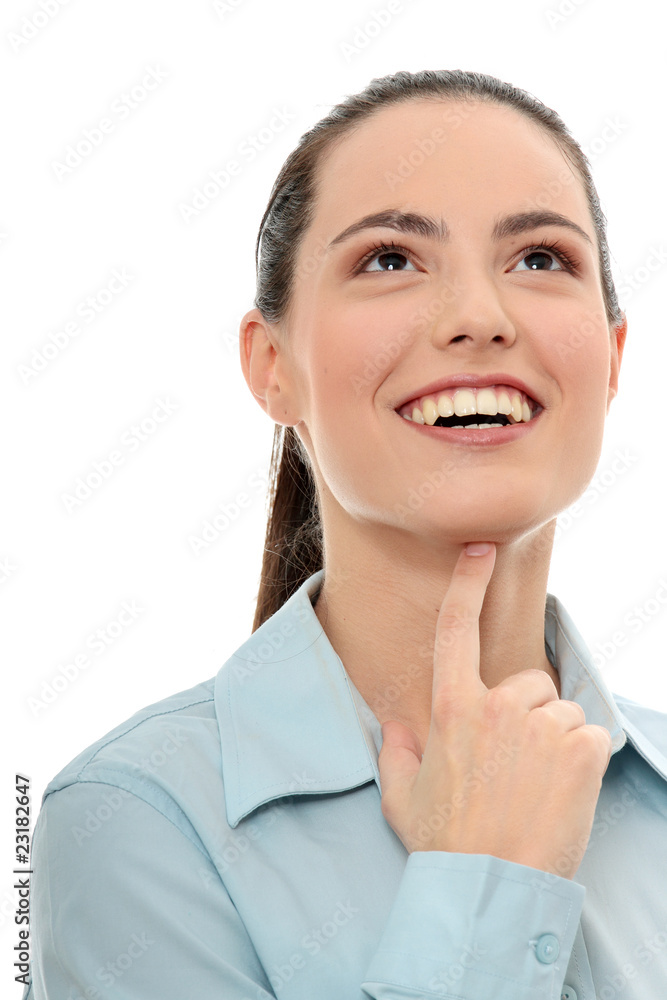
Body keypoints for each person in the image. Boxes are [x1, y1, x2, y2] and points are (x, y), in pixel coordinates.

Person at [23, 69, 667, 1000]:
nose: (479, 319)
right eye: (390, 260)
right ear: (271, 366)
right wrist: (489, 888)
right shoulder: (134, 820)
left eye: (538, 259)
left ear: (610, 360)